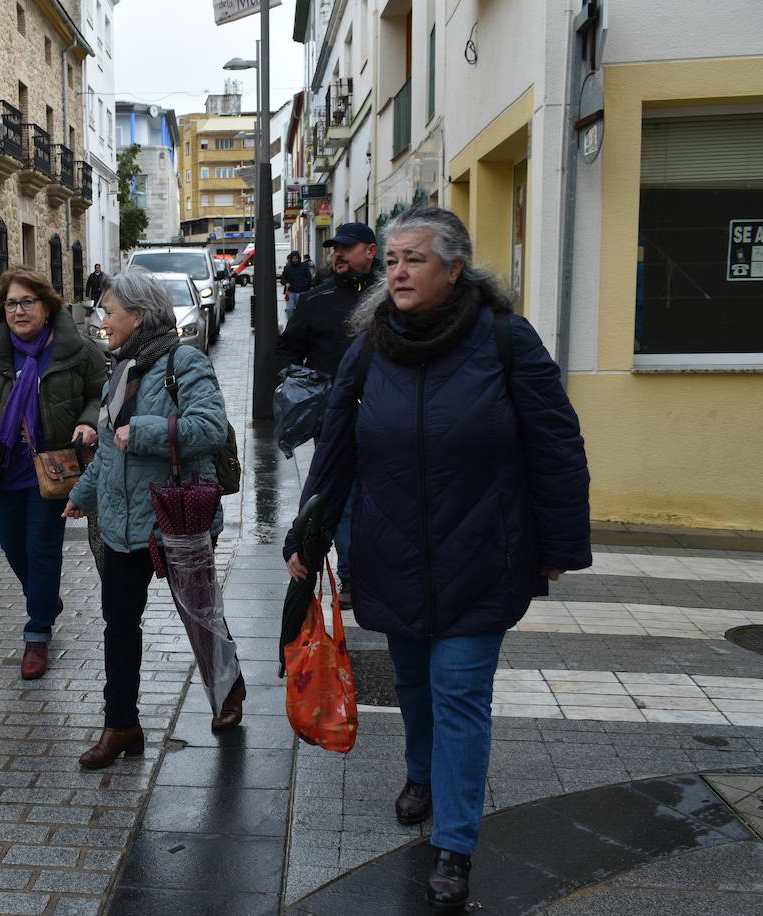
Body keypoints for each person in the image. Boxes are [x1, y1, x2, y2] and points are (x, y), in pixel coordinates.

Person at [283, 207, 590, 912]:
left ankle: (454, 843)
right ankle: (419, 772)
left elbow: (557, 447)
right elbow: (336, 450)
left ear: (455, 268)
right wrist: (309, 538)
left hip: (485, 551)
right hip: (391, 549)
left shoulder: (507, 341)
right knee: (415, 681)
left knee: (459, 693)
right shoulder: (368, 347)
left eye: (413, 259)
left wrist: (561, 545)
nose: (396, 272)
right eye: (390, 260)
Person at [64, 268, 240, 770]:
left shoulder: (184, 362)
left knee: (199, 612)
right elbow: (107, 449)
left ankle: (228, 689)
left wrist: (139, 432)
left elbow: (209, 427)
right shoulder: (118, 368)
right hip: (121, 525)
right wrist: (83, 494)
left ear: (138, 316)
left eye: (110, 312)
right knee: (119, 625)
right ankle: (121, 724)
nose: (103, 319)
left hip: (174, 515)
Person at [0, 265, 106, 680]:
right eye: (11, 303)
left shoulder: (77, 350)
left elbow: (101, 392)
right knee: (12, 546)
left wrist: (87, 421)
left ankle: (37, 633)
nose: (19, 310)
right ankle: (44, 599)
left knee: (42, 548)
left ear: (47, 306)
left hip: (52, 468)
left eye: (28, 301)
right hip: (6, 464)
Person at [277, 222, 380, 604]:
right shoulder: (315, 300)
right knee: (344, 493)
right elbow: (286, 349)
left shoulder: (394, 296)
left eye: (348, 248)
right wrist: (297, 382)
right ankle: (353, 576)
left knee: (384, 491)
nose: (338, 254)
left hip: (390, 416)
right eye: (335, 248)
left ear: (370, 251)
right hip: (335, 418)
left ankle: (383, 568)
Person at [280, 251, 313, 321]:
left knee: (301, 309)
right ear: (291, 259)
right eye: (293, 258)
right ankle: (291, 323)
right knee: (289, 309)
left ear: (299, 258)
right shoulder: (287, 268)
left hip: (301, 292)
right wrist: (286, 283)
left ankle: (300, 323)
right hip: (290, 292)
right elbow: (282, 279)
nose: (295, 260)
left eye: (296, 258)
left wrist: (305, 287)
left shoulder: (303, 267)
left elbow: (309, 278)